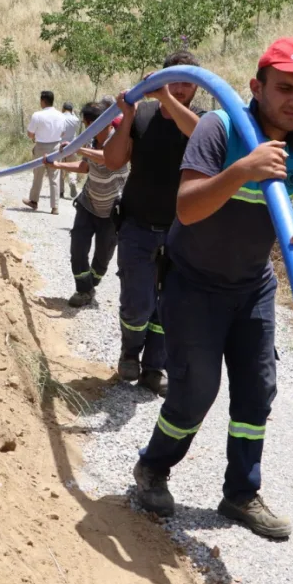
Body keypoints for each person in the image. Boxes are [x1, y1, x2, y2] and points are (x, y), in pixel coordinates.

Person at [132, 38, 293, 540]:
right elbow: (187, 207)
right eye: (285, 88)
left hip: (252, 288)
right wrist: (242, 171)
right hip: (193, 286)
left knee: (257, 393)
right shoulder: (219, 127)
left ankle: (241, 492)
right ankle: (153, 467)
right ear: (257, 86)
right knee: (195, 392)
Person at [103, 51, 205, 397]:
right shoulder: (143, 114)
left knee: (170, 304)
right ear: (161, 79)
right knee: (138, 301)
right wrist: (127, 116)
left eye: (187, 82)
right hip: (137, 226)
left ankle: (154, 368)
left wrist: (164, 97)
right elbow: (114, 161)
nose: (179, 88)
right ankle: (130, 352)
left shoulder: (205, 122)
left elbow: (198, 135)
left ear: (197, 87)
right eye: (172, 80)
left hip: (182, 231)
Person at [43, 102, 129, 307]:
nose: (86, 128)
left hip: (111, 211)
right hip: (88, 204)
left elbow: (109, 159)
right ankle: (83, 290)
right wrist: (58, 164)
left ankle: (90, 285)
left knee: (102, 258)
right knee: (78, 248)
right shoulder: (90, 142)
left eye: (87, 124)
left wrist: (76, 147)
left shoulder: (118, 140)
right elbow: (85, 166)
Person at [23, 90, 66, 215]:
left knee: (38, 175)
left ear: (42, 101)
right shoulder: (61, 115)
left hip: (41, 147)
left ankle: (34, 201)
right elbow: (62, 133)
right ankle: (55, 207)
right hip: (56, 147)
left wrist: (35, 137)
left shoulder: (37, 115)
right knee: (54, 177)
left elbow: (30, 133)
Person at [59, 102, 81, 200]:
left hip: (60, 147)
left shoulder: (59, 117)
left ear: (63, 109)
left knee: (59, 169)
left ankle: (60, 191)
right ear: (72, 110)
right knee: (72, 169)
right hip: (72, 146)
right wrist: (74, 114)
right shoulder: (76, 119)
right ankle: (72, 182)